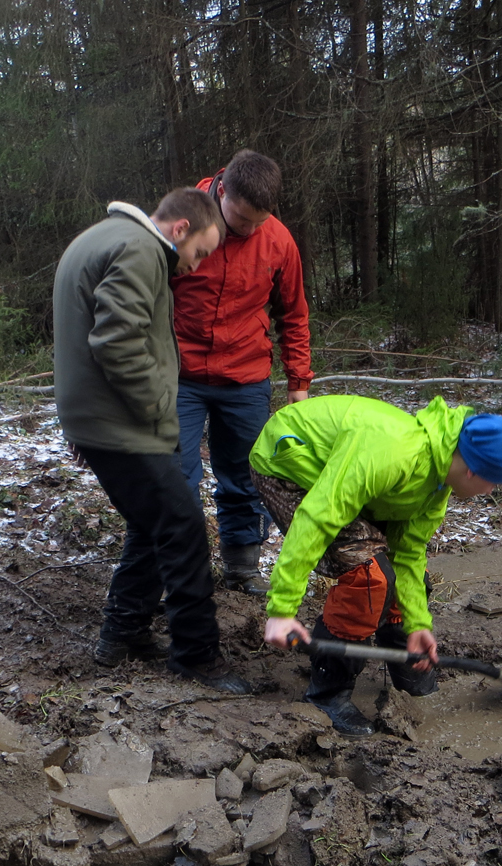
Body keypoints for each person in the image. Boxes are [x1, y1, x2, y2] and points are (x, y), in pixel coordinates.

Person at [53, 188, 250, 695]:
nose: (195, 265)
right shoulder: (140, 249)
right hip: (117, 423)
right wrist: (160, 406)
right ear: (181, 229)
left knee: (152, 522)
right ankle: (197, 655)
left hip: (96, 417)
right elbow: (116, 342)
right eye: (199, 252)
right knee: (184, 526)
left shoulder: (104, 236)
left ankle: (123, 635)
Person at [250, 394, 502, 734]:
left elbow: (408, 554)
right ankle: (327, 693)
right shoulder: (395, 454)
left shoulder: (438, 481)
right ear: (472, 469)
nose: (491, 491)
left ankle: (405, 655)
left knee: (397, 571)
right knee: (369, 577)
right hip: (290, 461)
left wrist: (418, 625)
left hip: (341, 473)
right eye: (493, 482)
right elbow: (318, 516)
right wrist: (282, 610)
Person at [171, 149, 313, 596]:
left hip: (246, 377)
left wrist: (298, 383)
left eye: (259, 221)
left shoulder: (279, 241)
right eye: (242, 219)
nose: (250, 230)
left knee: (245, 476)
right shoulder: (180, 223)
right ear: (222, 192)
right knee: (175, 478)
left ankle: (242, 568)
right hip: (180, 375)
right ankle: (181, 572)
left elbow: (294, 315)